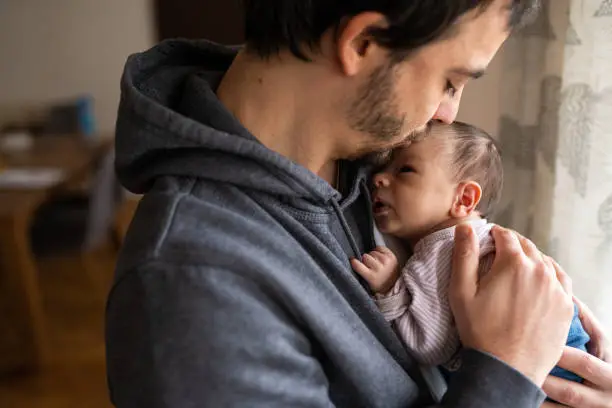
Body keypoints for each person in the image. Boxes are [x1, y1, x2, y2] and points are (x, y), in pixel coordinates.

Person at [106, 1, 612, 407]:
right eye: (450, 81)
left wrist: (547, 350)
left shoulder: (377, 165)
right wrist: (507, 372)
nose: (446, 114)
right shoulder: (194, 292)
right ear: (363, 43)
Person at [351, 121, 590, 384]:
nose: (378, 178)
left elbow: (430, 347)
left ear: (464, 199)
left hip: (551, 360)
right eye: (384, 167)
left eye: (405, 170)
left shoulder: (442, 250)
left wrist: (390, 287)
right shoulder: (480, 239)